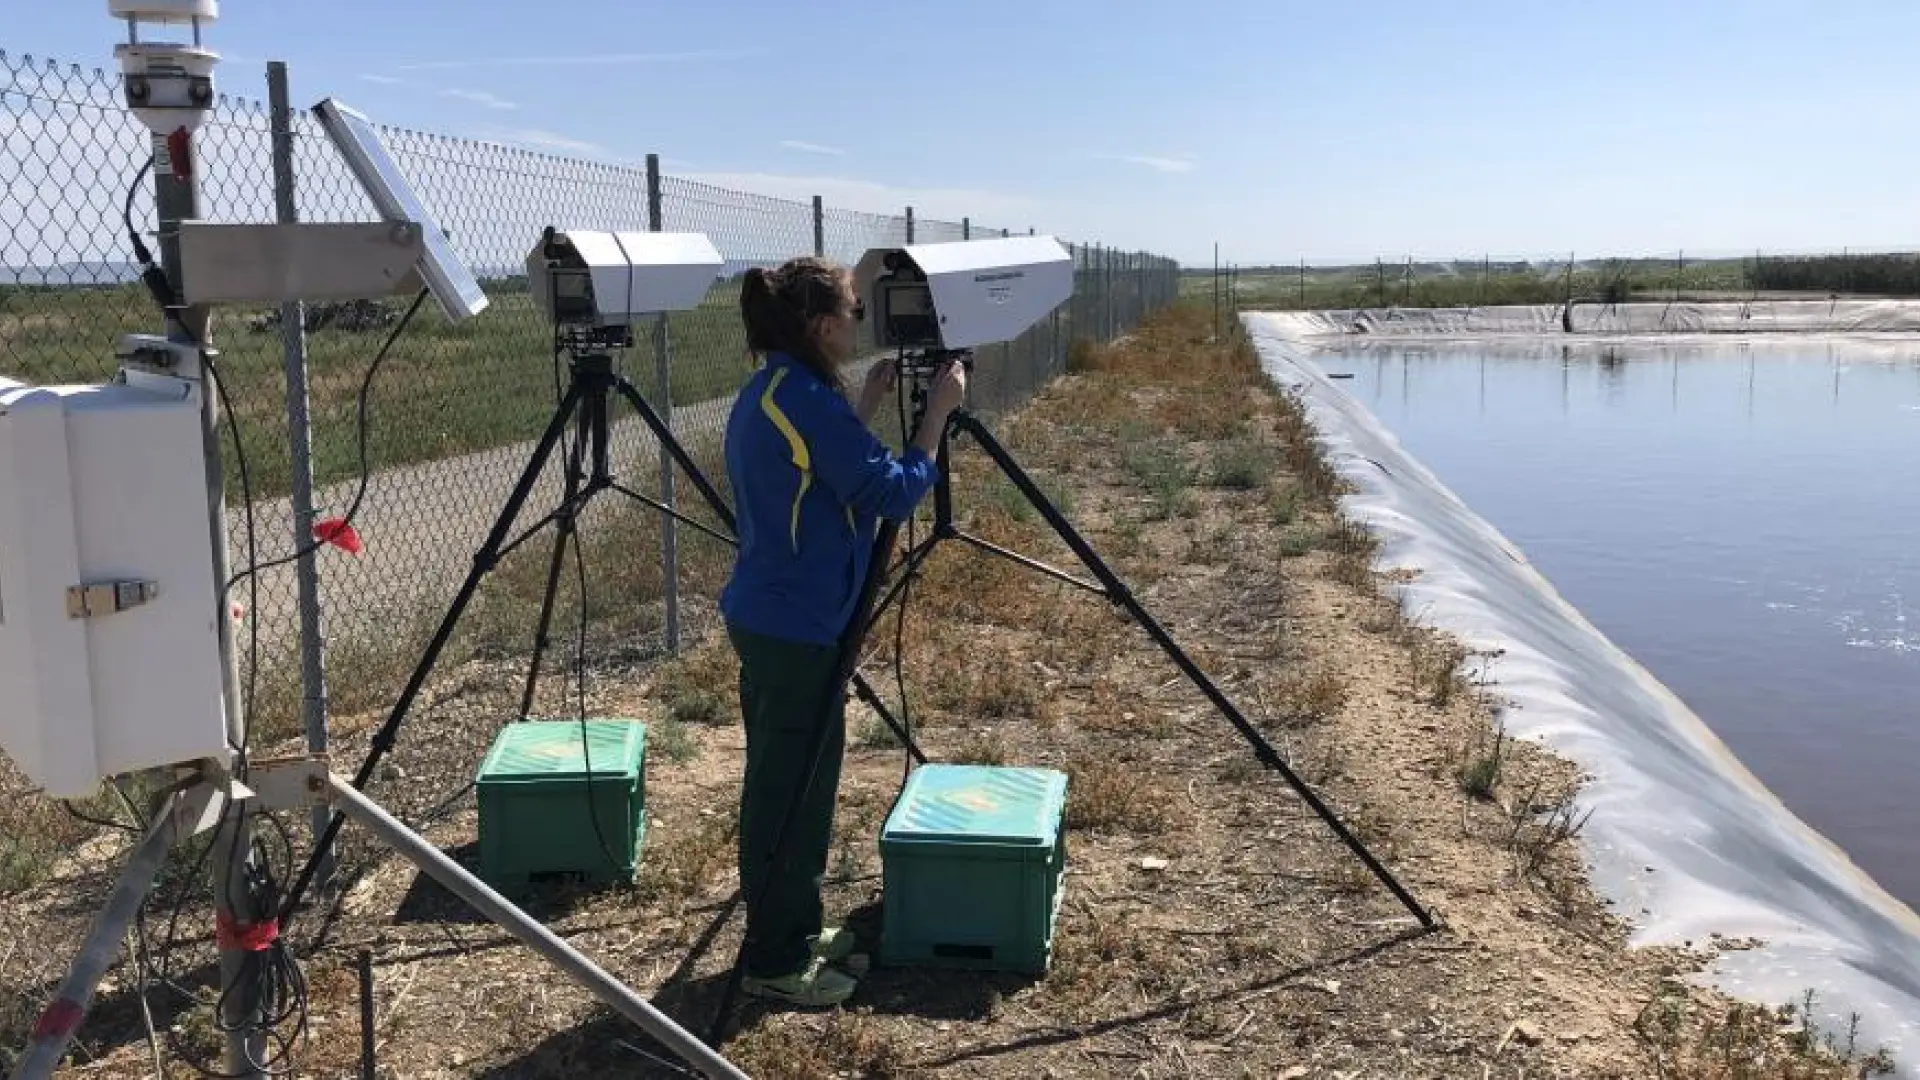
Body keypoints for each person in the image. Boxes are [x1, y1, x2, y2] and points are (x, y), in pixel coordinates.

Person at [718, 255, 966, 1007]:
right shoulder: (803, 399)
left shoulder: (781, 388)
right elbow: (887, 492)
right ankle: (772, 961)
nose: (865, 321)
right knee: (785, 797)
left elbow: (813, 481)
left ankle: (797, 927)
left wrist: (860, 409)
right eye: (858, 312)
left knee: (800, 783)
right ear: (823, 326)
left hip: (783, 617)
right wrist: (937, 418)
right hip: (795, 626)